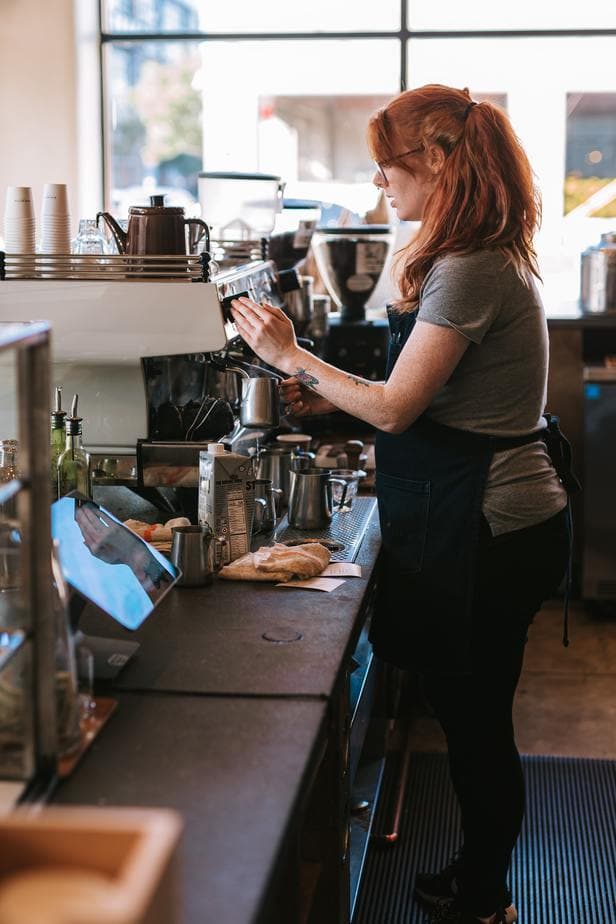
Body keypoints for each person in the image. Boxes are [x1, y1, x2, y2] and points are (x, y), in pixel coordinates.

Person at [230, 84, 575, 924]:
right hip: (488, 517)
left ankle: (487, 896)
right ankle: (474, 872)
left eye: (391, 163)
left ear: (440, 162)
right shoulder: (476, 255)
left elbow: (394, 408)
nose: (381, 179)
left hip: (493, 524)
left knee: (478, 723)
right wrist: (323, 394)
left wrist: (291, 353)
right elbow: (417, 393)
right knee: (468, 717)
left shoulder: (470, 268)